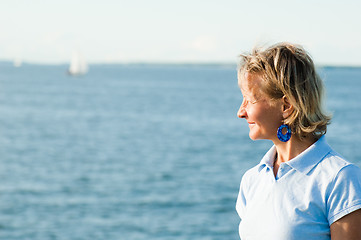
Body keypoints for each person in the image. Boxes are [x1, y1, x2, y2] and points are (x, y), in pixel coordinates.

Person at [235, 42, 361, 240]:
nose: (241, 112)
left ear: (286, 105)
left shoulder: (340, 179)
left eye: (249, 100)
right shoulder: (252, 180)